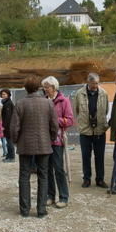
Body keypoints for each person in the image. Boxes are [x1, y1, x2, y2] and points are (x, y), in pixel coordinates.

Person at [11, 76, 58, 218]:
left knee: (24, 176)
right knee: (43, 176)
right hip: (44, 144)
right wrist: (51, 138)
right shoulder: (48, 104)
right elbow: (54, 125)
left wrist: (16, 141)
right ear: (39, 87)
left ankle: (24, 209)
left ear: (25, 88)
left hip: (25, 144)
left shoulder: (20, 103)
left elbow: (14, 128)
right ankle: (41, 209)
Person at [73, 72, 109, 188]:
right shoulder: (79, 94)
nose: (95, 86)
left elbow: (106, 110)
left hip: (99, 130)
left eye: (97, 83)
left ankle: (100, 179)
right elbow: (76, 110)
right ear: (88, 82)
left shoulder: (104, 93)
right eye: (93, 84)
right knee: (85, 156)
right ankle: (86, 179)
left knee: (100, 156)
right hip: (85, 131)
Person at [42, 76, 74, 208]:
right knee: (47, 169)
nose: (45, 89)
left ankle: (63, 197)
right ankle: (50, 195)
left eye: (47, 87)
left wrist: (54, 119)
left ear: (54, 87)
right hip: (44, 140)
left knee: (58, 168)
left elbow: (70, 120)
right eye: (44, 87)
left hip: (57, 141)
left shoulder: (64, 101)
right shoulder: (43, 101)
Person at [0, 88, 16, 162]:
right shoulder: (6, 103)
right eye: (2, 94)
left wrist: (4, 126)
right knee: (8, 141)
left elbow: (8, 117)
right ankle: (8, 156)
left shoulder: (8, 103)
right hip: (8, 126)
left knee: (10, 142)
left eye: (5, 94)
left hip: (9, 126)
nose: (3, 95)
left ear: (8, 95)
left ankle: (11, 157)